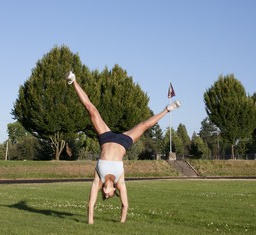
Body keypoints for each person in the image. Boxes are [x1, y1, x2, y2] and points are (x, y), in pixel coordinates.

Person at [65, 71, 181, 224]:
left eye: (104, 195)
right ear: (114, 191)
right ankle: (168, 109)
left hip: (105, 137)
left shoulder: (98, 180)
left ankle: (73, 80)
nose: (106, 195)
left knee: (91, 110)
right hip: (124, 142)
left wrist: (90, 222)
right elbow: (125, 205)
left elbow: (90, 204)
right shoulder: (120, 182)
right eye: (109, 195)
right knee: (145, 125)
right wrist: (122, 222)